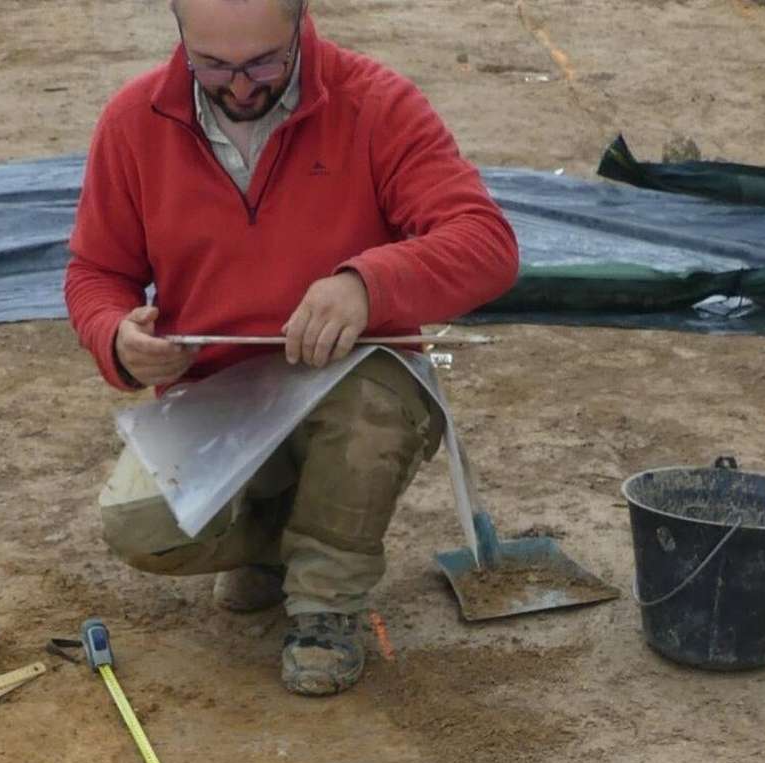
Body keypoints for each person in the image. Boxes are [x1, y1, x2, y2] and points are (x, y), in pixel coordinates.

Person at [65, 0, 518, 696]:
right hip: (219, 398)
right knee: (139, 525)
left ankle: (326, 604)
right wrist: (119, 337)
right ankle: (288, 543)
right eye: (214, 65)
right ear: (180, 35)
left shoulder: (376, 104)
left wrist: (367, 286)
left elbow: (486, 243)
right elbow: (96, 271)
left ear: (300, 21)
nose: (242, 87)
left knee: (370, 413)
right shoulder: (134, 121)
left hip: (354, 377)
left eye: (266, 64)